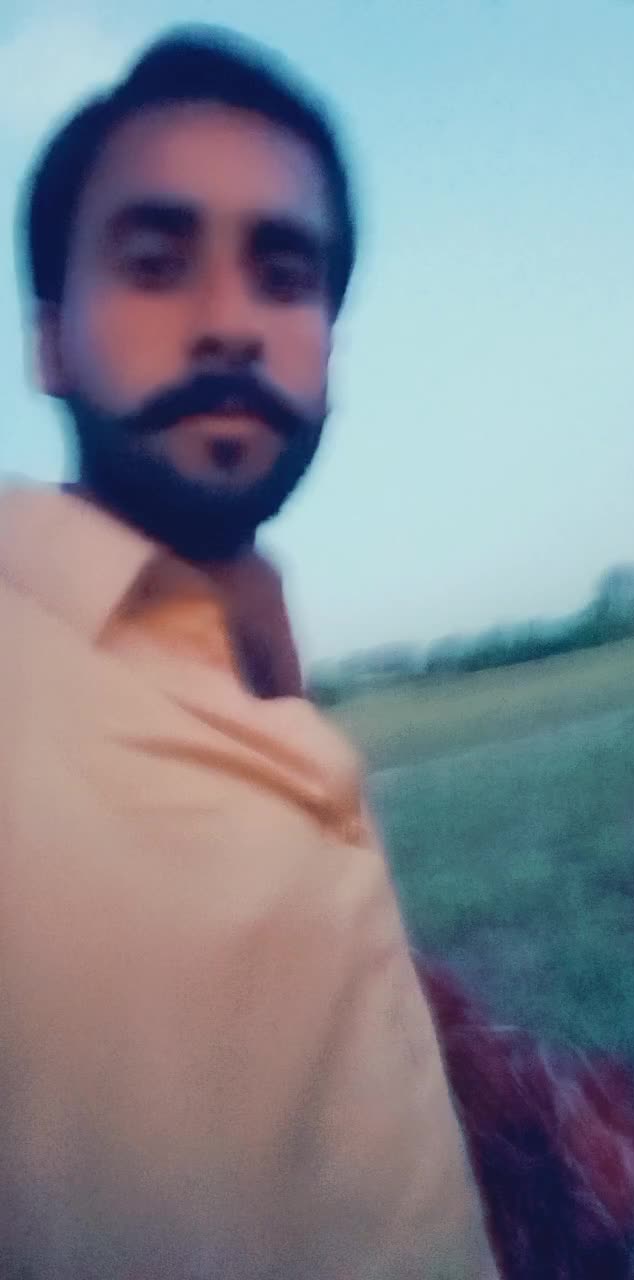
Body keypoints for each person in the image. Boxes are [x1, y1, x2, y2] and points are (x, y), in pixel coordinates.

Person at [2, 26, 500, 1280]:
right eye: (155, 263)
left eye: (285, 276)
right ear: (49, 338)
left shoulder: (249, 648)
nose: (231, 323)